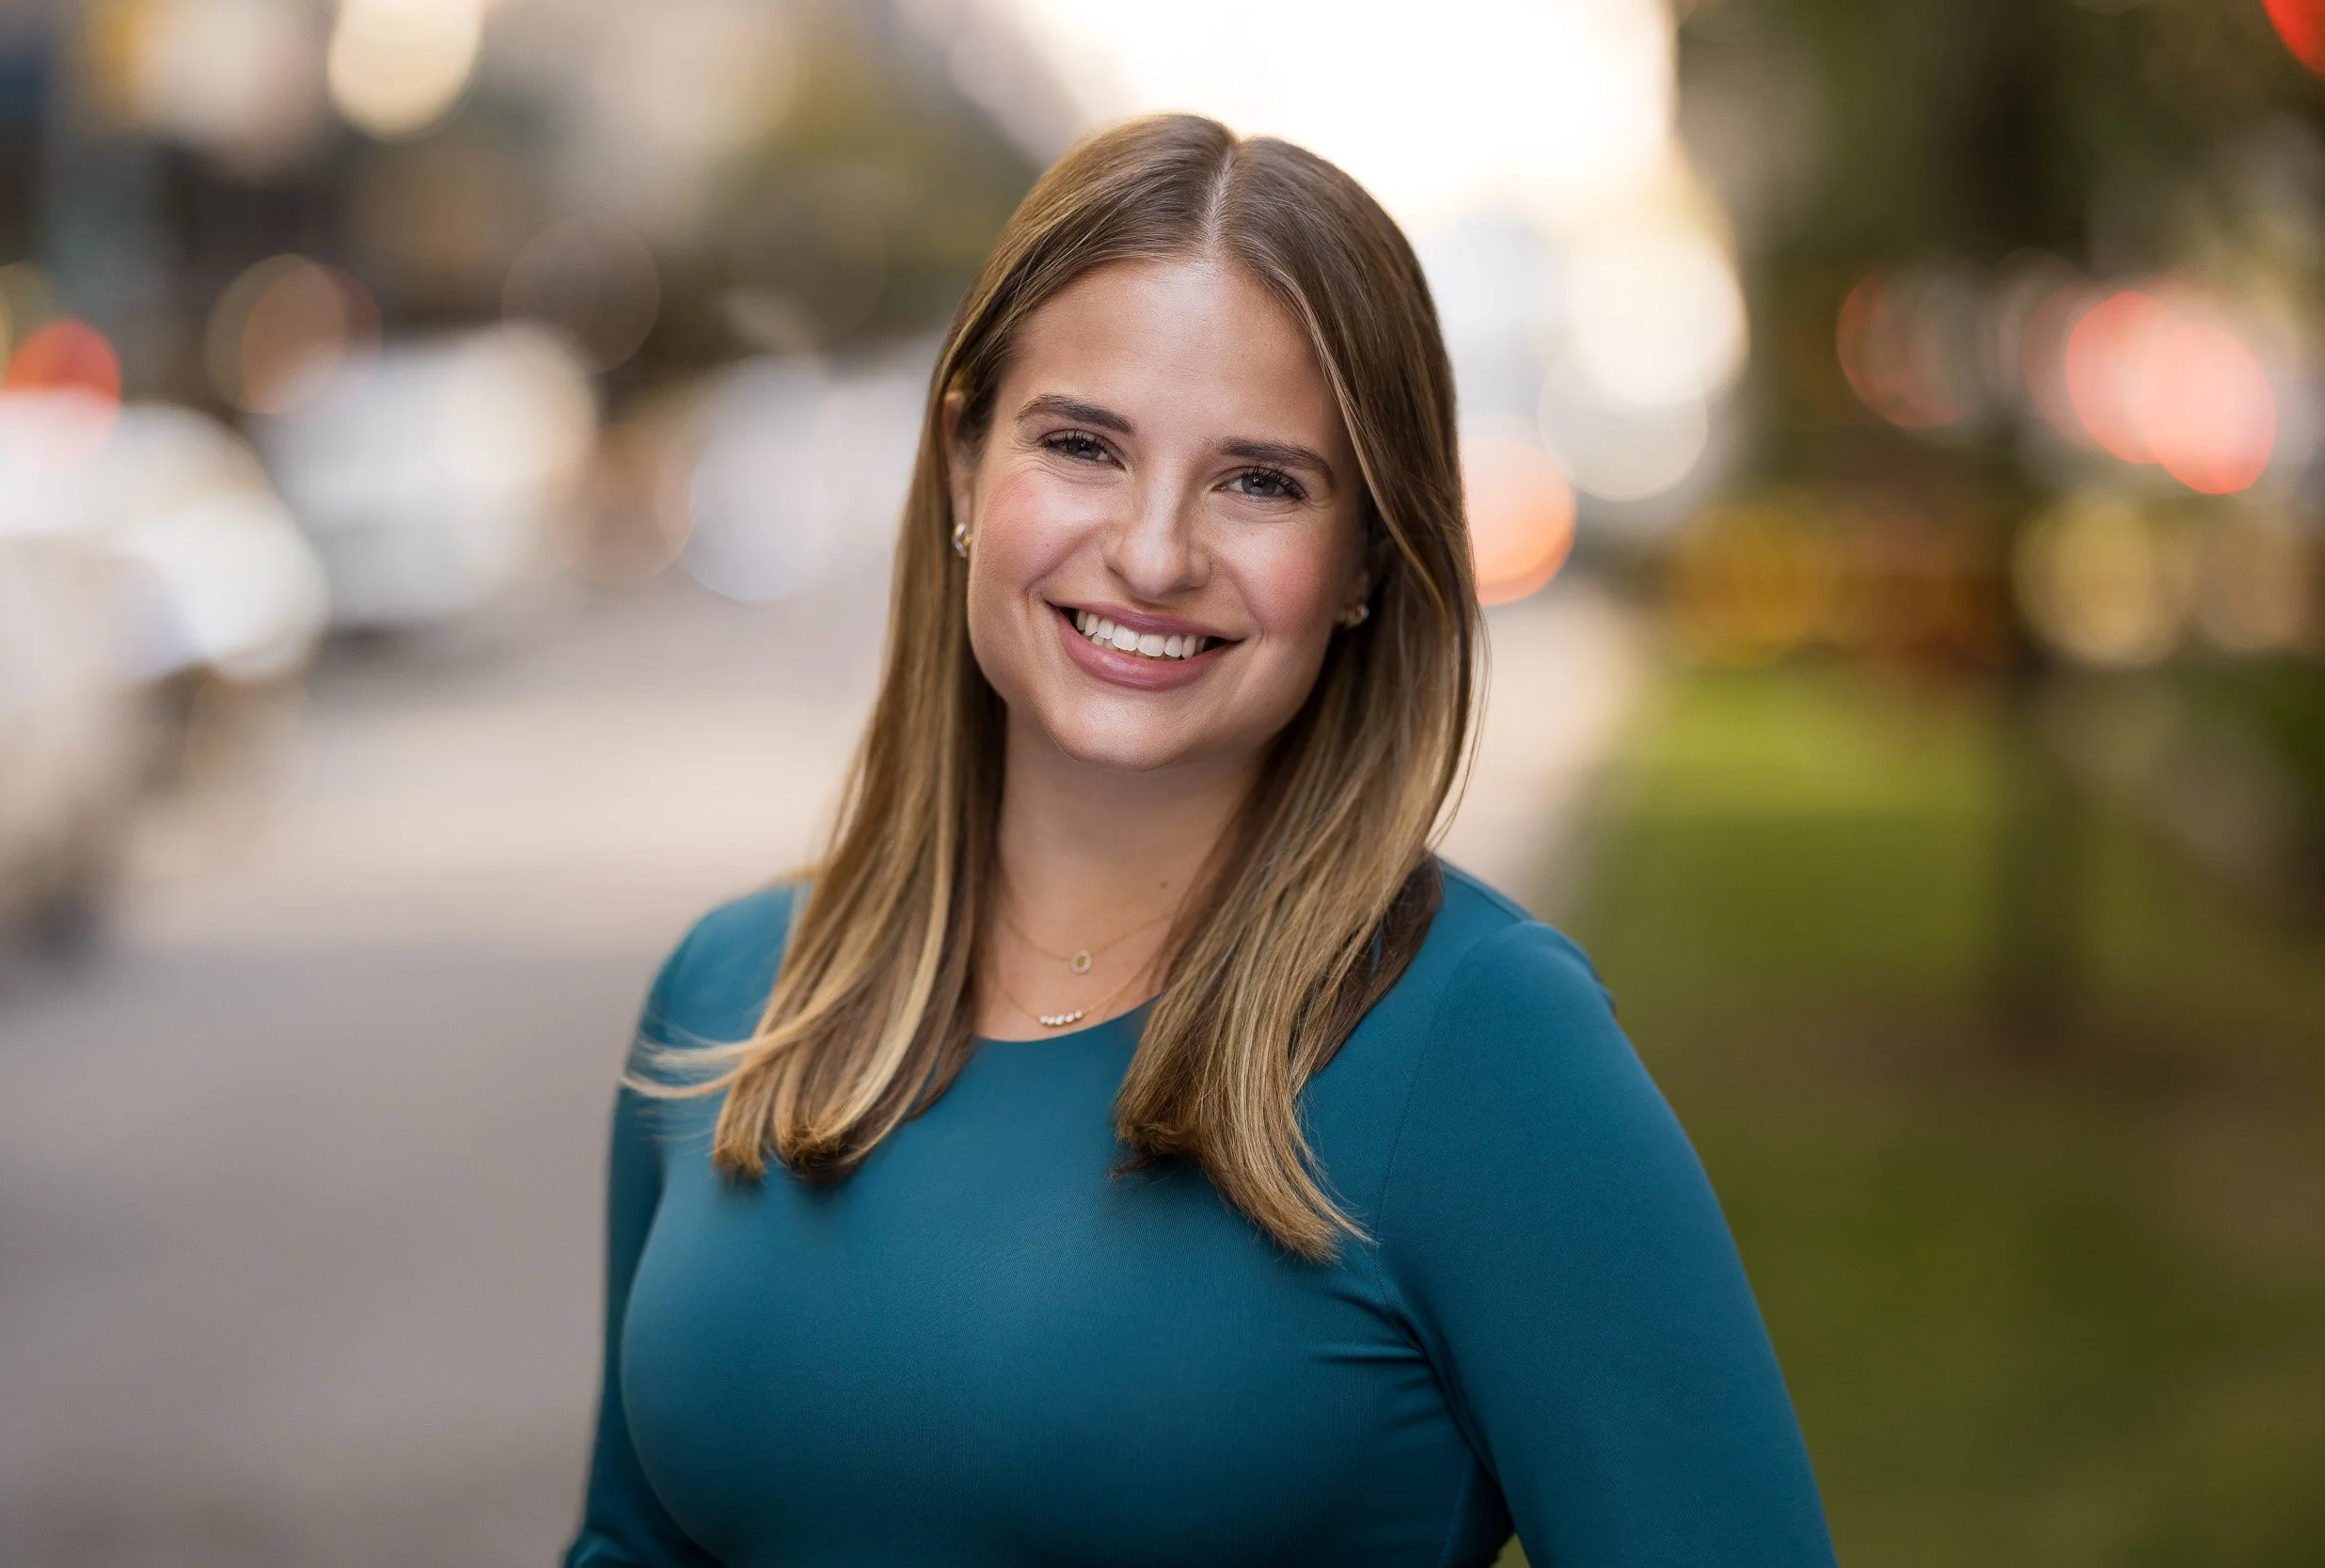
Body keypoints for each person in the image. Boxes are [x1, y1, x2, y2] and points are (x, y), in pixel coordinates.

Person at [562, 114, 1836, 1568]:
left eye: (1261, 481)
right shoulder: (729, 999)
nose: (1156, 552)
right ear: (967, 462)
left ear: (1366, 555)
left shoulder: (1484, 1046)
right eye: (1084, 445)